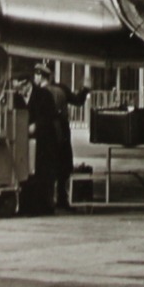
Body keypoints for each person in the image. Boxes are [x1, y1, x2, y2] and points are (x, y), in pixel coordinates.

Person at [39, 63, 90, 209]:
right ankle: (61, 198)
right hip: (62, 130)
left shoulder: (40, 91)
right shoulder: (61, 89)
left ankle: (50, 199)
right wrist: (85, 89)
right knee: (63, 164)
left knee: (51, 164)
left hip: (50, 131)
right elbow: (78, 100)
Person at [13, 69, 61, 215]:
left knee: (44, 174)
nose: (19, 91)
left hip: (44, 141)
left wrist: (36, 126)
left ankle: (44, 207)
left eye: (21, 88)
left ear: (28, 84)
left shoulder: (44, 95)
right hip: (25, 141)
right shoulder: (16, 98)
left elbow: (50, 115)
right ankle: (26, 207)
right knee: (26, 173)